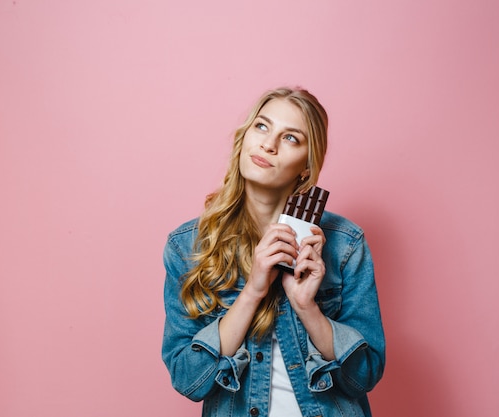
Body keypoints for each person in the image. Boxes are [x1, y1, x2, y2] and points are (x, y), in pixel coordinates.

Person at [162, 87, 385, 417]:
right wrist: (253, 291)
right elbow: (188, 380)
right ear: (245, 137)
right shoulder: (188, 246)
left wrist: (306, 307)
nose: (268, 144)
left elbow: (363, 376)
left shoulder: (345, 245)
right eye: (262, 126)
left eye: (291, 138)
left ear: (305, 169)